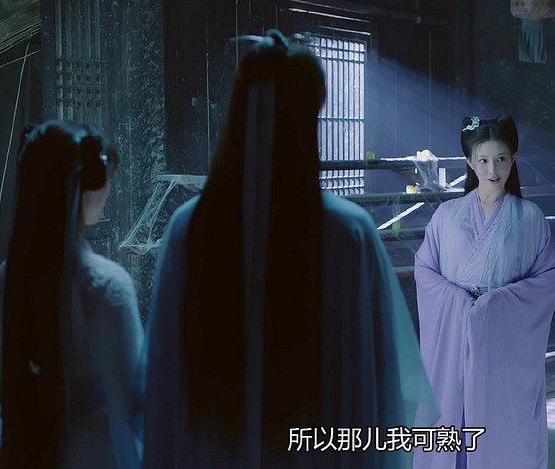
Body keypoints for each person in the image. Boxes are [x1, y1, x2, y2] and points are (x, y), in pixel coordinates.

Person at [141, 30, 436, 468]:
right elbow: (379, 386)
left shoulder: (190, 227)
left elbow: (161, 385)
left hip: (212, 450)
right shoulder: (347, 233)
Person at [0, 120, 144, 469]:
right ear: (88, 186)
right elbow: (134, 409)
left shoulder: (9, 278)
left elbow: (0, 390)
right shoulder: (108, 286)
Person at [414, 114, 555, 469]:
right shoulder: (446, 215)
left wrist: (497, 302)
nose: (492, 169)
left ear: (514, 158)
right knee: (452, 415)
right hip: (455, 335)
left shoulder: (531, 218)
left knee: (499, 420)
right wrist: (458, 301)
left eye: (501, 158)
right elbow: (425, 270)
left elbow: (547, 279)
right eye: (483, 160)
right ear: (470, 161)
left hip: (502, 342)